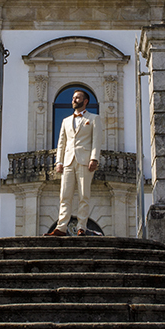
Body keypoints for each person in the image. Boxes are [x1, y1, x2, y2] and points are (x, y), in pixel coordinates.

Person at [49, 89, 102, 236]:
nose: (73, 100)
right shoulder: (65, 121)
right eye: (73, 97)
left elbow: (97, 140)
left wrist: (94, 158)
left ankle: (81, 227)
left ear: (85, 101)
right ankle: (61, 227)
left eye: (77, 98)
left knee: (84, 195)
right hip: (68, 161)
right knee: (65, 195)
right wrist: (59, 161)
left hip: (85, 161)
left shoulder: (94, 118)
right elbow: (61, 143)